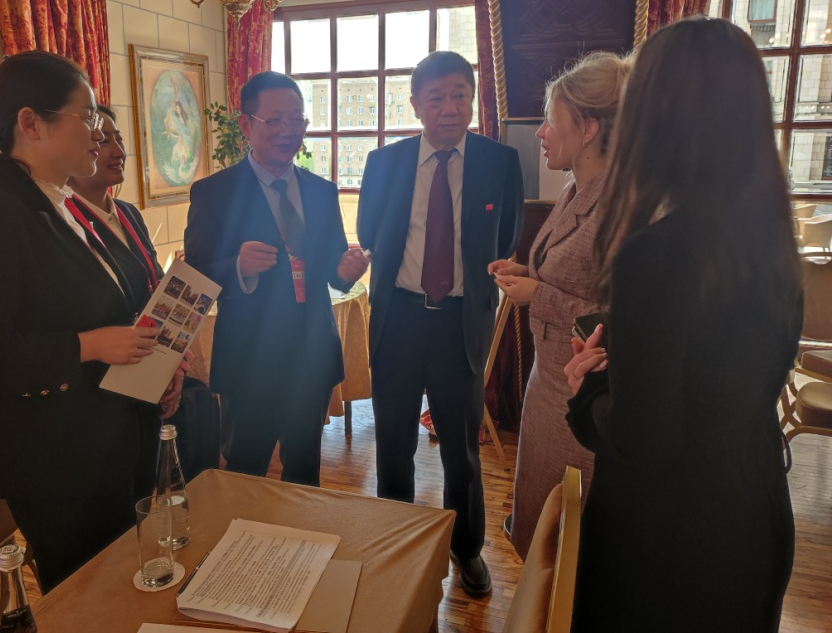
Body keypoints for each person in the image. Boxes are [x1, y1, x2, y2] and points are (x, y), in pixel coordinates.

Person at [564, 17, 801, 631]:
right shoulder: (772, 237)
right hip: (752, 505)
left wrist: (589, 388)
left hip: (669, 540)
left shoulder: (658, 252)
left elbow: (642, 439)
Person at [0, 51, 183, 592]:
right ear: (31, 123)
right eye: (87, 116)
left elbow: (109, 308)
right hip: (54, 456)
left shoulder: (62, 204)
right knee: (87, 596)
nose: (98, 132)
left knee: (126, 583)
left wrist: (159, 362)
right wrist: (86, 345)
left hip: (110, 435)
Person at [357, 51, 524, 597]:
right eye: (436, 98)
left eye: (459, 95)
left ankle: (466, 548)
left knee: (461, 449)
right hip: (399, 320)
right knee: (393, 440)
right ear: (416, 104)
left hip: (459, 324)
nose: (449, 108)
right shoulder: (385, 162)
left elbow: (506, 238)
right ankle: (396, 540)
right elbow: (369, 230)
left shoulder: (499, 162)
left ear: (472, 99)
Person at [183, 71, 369, 487]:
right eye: (275, 120)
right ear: (246, 124)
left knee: (304, 473)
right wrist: (237, 266)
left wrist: (344, 270)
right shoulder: (214, 192)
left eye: (297, 119)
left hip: (312, 353)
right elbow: (194, 274)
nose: (288, 130)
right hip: (250, 359)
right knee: (245, 471)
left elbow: (331, 264)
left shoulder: (321, 191)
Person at [492, 52, 630, 558]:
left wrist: (539, 295)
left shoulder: (620, 206)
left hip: (581, 401)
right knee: (542, 536)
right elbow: (573, 275)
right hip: (547, 389)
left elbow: (622, 319)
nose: (540, 132)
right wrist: (528, 275)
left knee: (566, 549)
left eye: (551, 120)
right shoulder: (576, 189)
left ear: (588, 128)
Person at [66, 105, 220, 487]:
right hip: (95, 401)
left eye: (118, 139)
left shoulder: (128, 214)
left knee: (152, 496)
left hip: (145, 385)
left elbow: (154, 298)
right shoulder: (62, 224)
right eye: (103, 140)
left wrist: (173, 367)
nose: (117, 151)